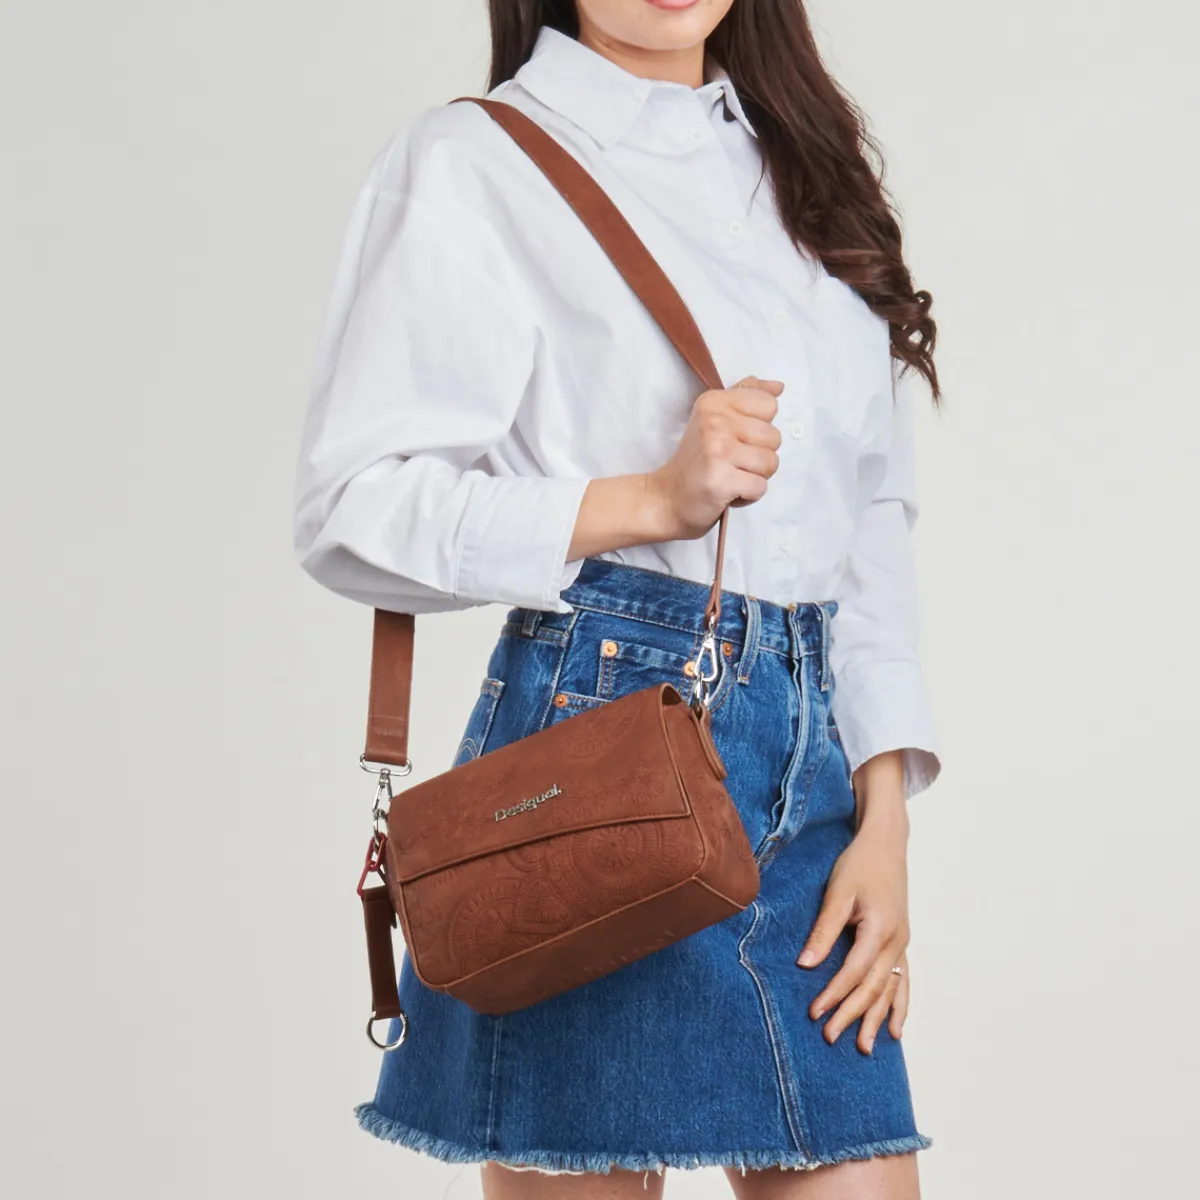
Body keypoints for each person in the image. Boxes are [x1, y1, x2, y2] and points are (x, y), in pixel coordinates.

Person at [292, 2, 942, 1197]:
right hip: (594, 761)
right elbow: (351, 507)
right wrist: (648, 499)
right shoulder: (473, 162)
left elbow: (870, 524)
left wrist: (885, 817)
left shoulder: (807, 170)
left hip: (813, 788)